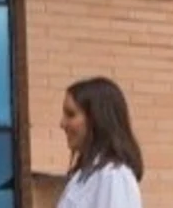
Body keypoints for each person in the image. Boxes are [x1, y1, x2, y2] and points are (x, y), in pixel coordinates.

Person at [56, 78, 143, 208]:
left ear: (95, 119)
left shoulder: (114, 176)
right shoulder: (83, 176)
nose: (62, 124)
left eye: (71, 114)